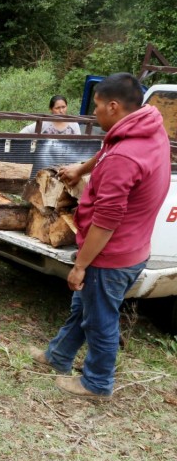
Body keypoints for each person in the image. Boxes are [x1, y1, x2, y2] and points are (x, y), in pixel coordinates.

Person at [29, 73, 170, 399]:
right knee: (85, 308)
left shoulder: (124, 158)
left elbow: (106, 222)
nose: (94, 114)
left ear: (114, 106)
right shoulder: (148, 127)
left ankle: (97, 383)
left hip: (112, 254)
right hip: (134, 246)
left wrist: (81, 265)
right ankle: (59, 356)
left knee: (100, 320)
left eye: (97, 108)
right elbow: (110, 149)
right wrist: (83, 168)